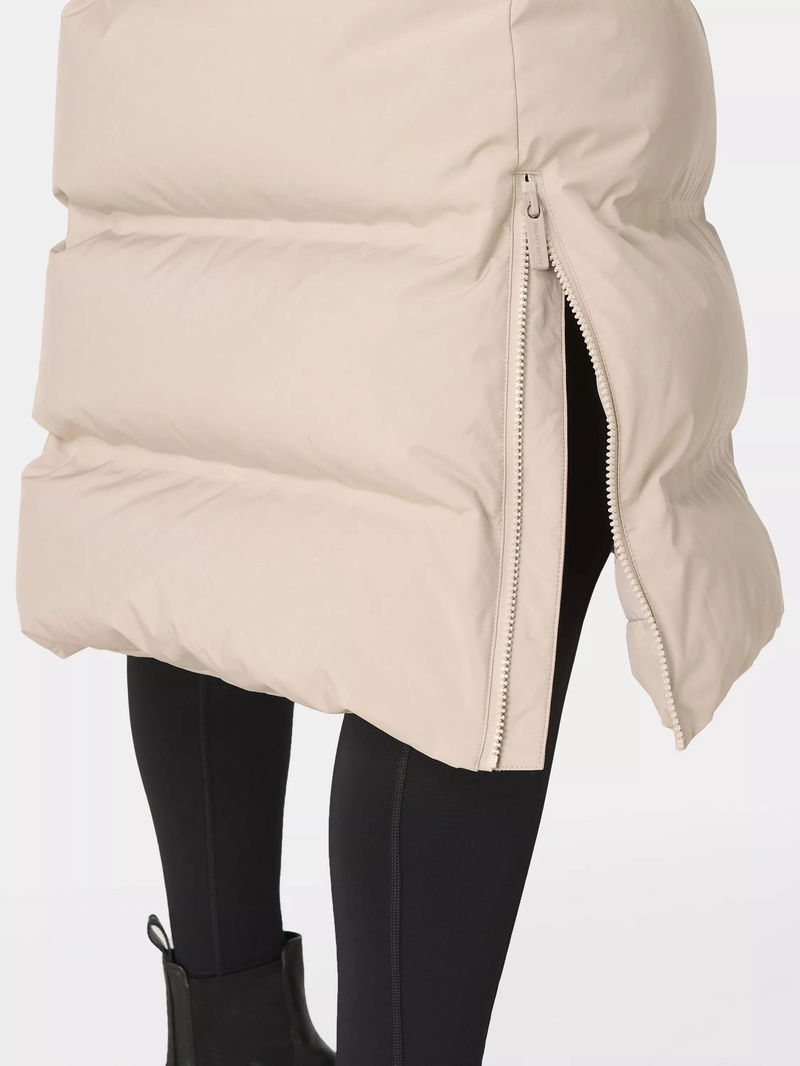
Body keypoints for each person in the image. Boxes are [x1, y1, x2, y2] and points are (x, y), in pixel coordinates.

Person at [18, 3, 782, 1064]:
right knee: (465, 580)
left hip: (178, 71)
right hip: (463, 79)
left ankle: (230, 1038)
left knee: (213, 493)